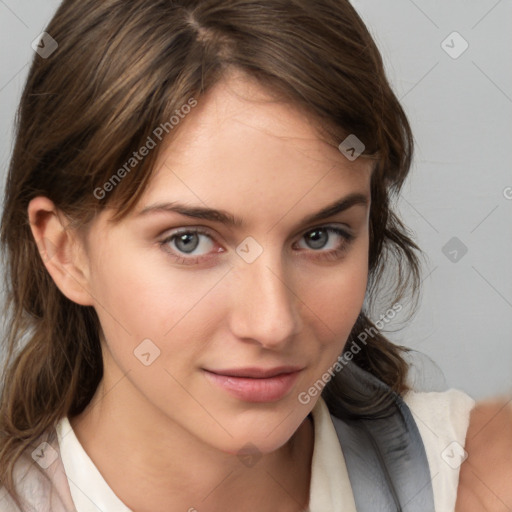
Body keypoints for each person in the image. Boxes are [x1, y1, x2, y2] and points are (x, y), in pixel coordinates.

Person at [0, 0, 476, 511]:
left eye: (321, 237)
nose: (272, 325)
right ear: (65, 251)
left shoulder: (470, 471)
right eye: (190, 241)